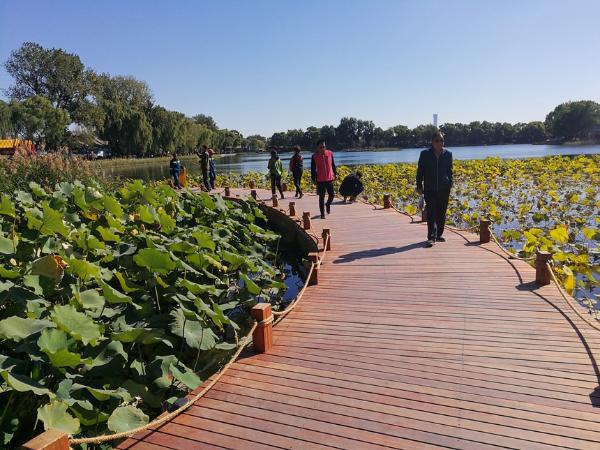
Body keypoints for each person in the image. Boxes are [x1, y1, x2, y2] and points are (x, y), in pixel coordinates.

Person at [416, 131, 453, 247]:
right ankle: (431, 237)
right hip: (430, 189)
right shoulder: (425, 154)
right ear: (432, 142)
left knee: (441, 213)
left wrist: (450, 183)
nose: (439, 143)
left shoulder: (448, 154)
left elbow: (450, 171)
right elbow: (420, 171)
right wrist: (419, 185)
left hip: (444, 188)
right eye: (437, 141)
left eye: (441, 140)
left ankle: (439, 235)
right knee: (431, 213)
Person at [311, 139, 337, 219]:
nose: (323, 149)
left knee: (332, 195)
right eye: (321, 147)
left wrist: (335, 174)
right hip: (320, 180)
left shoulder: (330, 153)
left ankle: (328, 204)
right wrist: (314, 179)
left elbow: (333, 164)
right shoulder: (314, 156)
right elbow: (313, 169)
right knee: (321, 197)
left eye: (324, 147)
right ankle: (322, 214)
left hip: (329, 178)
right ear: (317, 148)